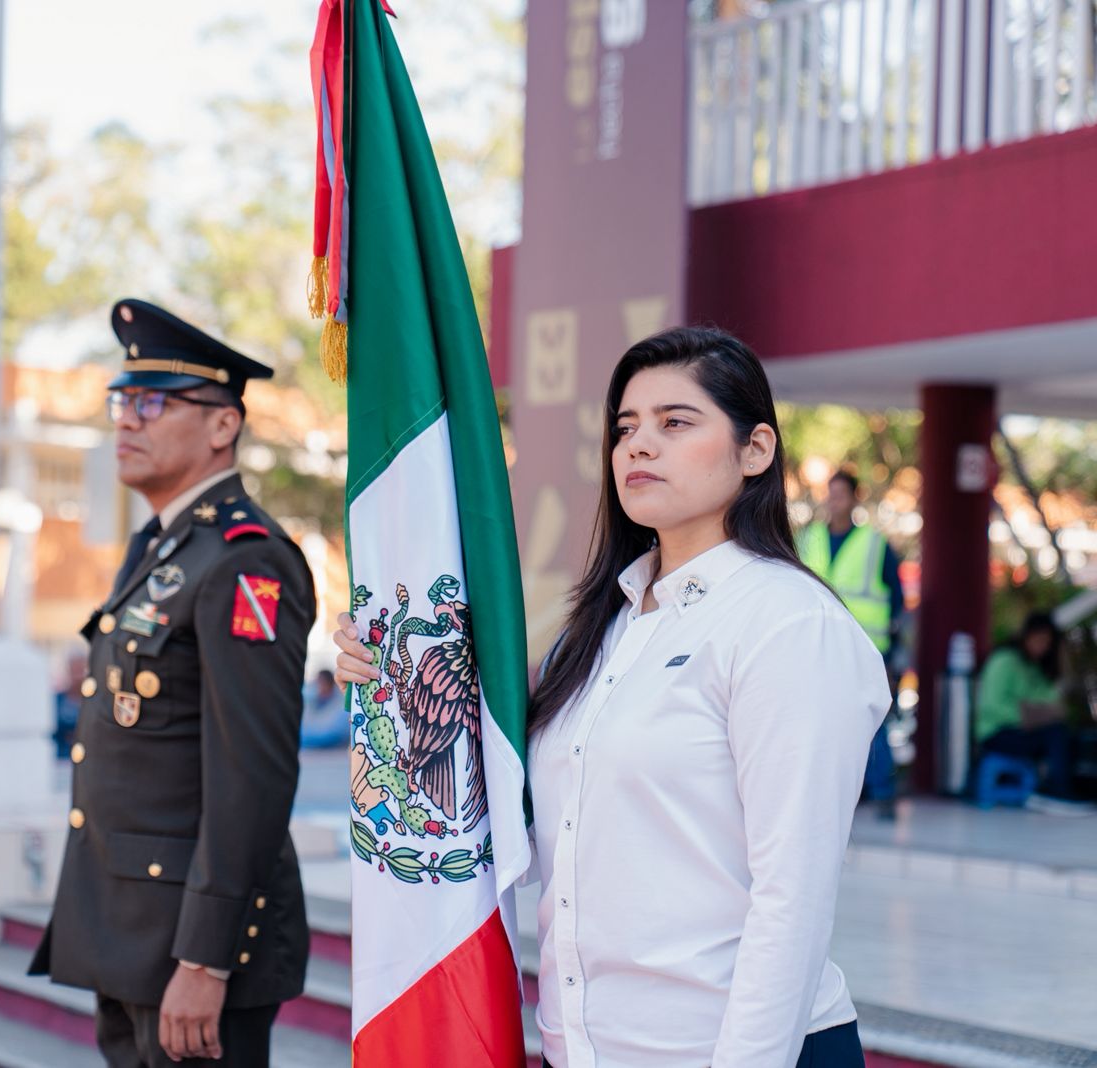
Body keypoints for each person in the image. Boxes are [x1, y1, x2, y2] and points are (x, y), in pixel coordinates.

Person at [335, 327, 890, 1067]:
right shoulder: (603, 627)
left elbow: (793, 898)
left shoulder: (788, 624)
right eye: (625, 429)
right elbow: (540, 827)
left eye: (675, 423)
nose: (637, 446)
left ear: (756, 450)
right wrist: (395, 678)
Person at [30, 299, 316, 1068]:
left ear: (223, 425)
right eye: (121, 401)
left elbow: (251, 775)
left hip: (190, 949)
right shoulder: (166, 549)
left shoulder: (245, 560)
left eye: (154, 403)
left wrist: (206, 959)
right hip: (129, 932)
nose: (127, 420)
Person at [798, 470, 907, 818]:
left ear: (855, 499)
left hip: (866, 646)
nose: (834, 502)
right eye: (830, 494)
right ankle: (839, 792)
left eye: (841, 495)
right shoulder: (809, 538)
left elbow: (897, 599)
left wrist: (894, 650)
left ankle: (883, 792)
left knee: (871, 717)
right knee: (823, 720)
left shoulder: (874, 543)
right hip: (817, 644)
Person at [975, 611, 1079, 805]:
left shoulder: (1034, 667)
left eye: (1048, 643)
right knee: (1055, 734)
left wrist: (1061, 657)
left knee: (1068, 733)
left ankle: (1060, 788)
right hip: (996, 732)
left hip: (1023, 730)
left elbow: (1053, 703)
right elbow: (992, 706)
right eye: (1040, 640)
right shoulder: (1003, 661)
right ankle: (1057, 792)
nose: (1043, 647)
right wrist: (1027, 717)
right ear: (1026, 635)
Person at [299, 669, 348, 748]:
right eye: (317, 683)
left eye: (321, 683)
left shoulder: (341, 703)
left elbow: (334, 733)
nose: (318, 686)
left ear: (329, 684)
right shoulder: (312, 700)